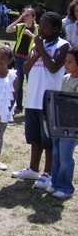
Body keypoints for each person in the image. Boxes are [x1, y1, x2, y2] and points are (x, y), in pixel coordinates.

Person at [12, 12, 69, 190]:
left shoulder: (63, 45)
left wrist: (41, 49)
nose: (41, 29)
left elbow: (53, 67)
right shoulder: (38, 45)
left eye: (45, 25)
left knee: (48, 140)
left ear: (56, 29)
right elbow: (27, 68)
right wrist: (36, 53)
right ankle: (33, 169)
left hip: (50, 99)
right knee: (35, 137)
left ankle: (48, 173)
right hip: (33, 98)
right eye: (41, 25)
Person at [48, 47, 78, 199]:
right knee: (56, 154)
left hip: (72, 126)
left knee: (66, 157)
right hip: (59, 123)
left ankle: (66, 187)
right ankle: (55, 183)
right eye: (65, 61)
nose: (66, 64)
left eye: (70, 62)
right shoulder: (65, 78)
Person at [6, 7, 38, 114]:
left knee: (32, 83)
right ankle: (19, 107)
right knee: (18, 84)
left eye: (27, 15)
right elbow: (8, 29)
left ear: (33, 17)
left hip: (30, 60)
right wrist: (19, 18)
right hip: (18, 58)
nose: (25, 16)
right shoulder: (20, 26)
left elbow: (40, 42)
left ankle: (32, 106)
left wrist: (31, 35)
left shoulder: (37, 28)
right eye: (24, 14)